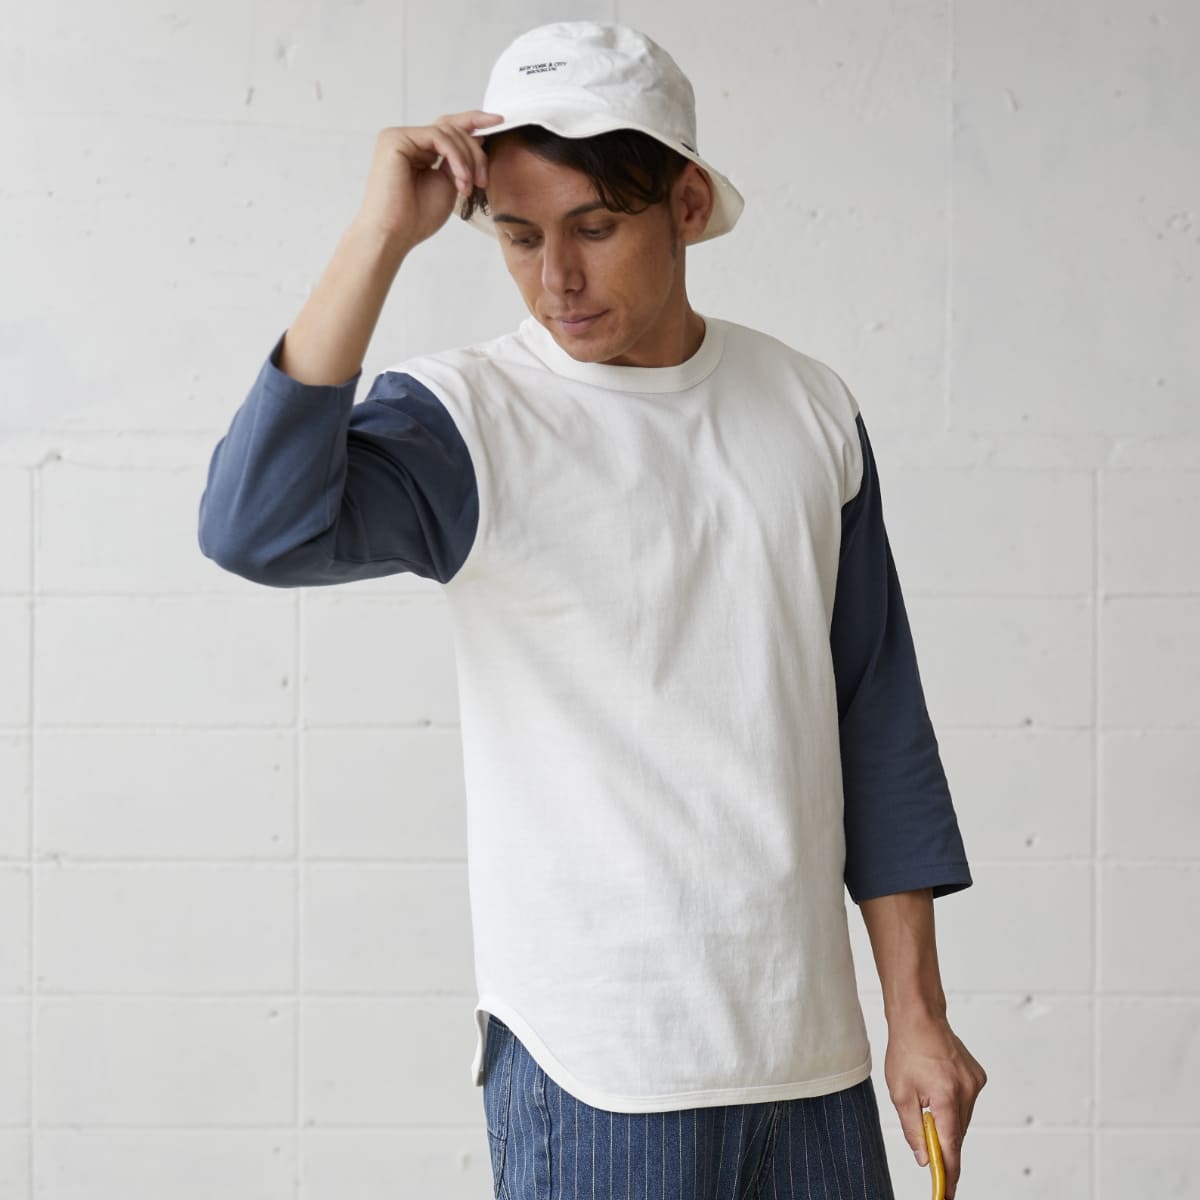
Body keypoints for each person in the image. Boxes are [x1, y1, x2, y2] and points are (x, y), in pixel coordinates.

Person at [198, 19, 986, 1200]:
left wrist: (915, 1014)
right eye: (519, 237)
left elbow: (875, 718)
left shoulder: (808, 408)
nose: (555, 279)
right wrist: (378, 238)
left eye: (595, 228)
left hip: (812, 1061)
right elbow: (254, 528)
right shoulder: (469, 421)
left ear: (686, 203)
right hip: (596, 1068)